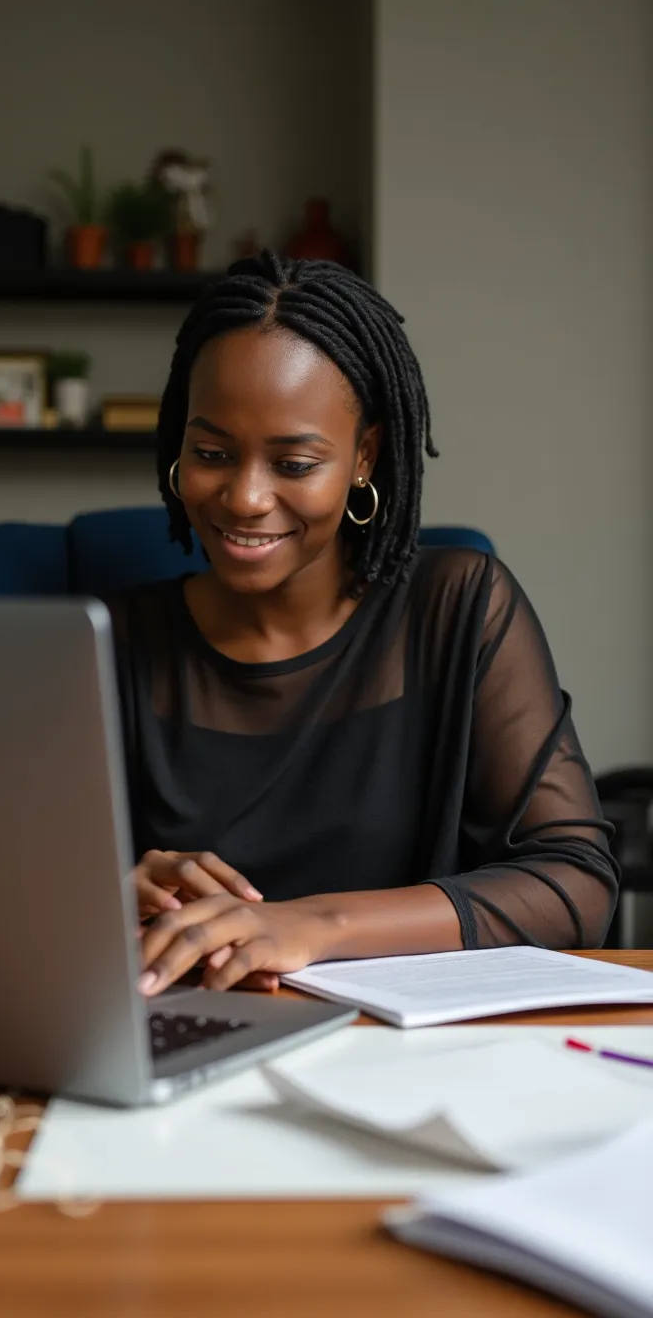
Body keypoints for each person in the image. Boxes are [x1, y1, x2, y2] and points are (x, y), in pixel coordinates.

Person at [106, 250, 618, 1000]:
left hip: (404, 1062)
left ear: (363, 458)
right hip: (177, 1043)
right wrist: (107, 895)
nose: (245, 497)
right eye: (213, 453)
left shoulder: (461, 608)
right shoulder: (105, 641)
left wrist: (313, 926)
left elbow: (574, 883)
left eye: (293, 463)